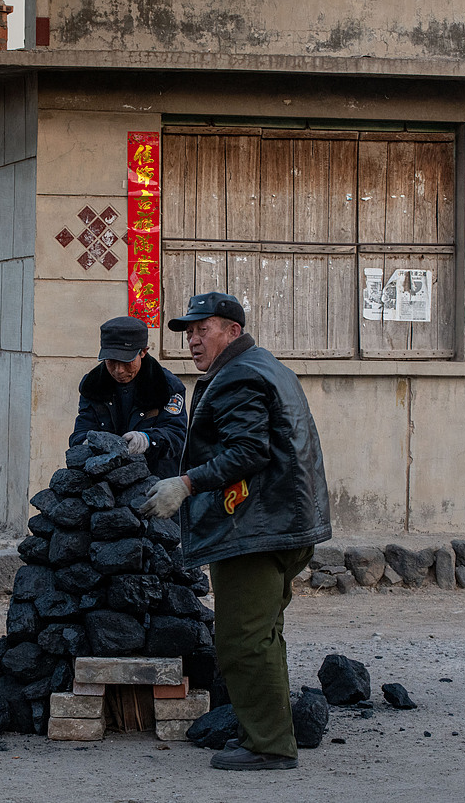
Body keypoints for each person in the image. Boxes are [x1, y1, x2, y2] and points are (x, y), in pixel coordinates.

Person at [141, 291, 332, 772]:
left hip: (256, 529)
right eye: (188, 332)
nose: (193, 340)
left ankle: (269, 746)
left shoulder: (238, 377)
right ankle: (265, 732)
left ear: (232, 330)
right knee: (264, 634)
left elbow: (248, 451)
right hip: (287, 523)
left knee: (243, 640)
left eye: (202, 330)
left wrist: (185, 484)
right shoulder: (266, 366)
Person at [69, 315, 187, 480]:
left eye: (126, 361)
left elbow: (176, 435)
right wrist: (89, 444)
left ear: (143, 352)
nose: (119, 370)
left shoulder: (166, 386)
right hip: (105, 481)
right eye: (111, 362)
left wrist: (147, 440)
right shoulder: (93, 386)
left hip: (155, 480)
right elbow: (80, 433)